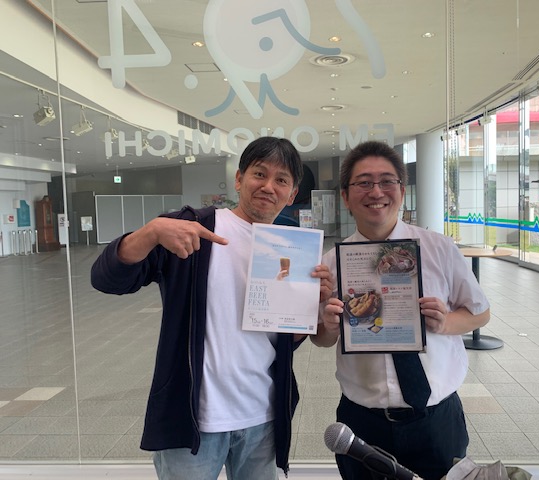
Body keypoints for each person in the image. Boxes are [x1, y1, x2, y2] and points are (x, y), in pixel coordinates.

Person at [91, 137, 333, 480]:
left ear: (292, 194)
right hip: (194, 421)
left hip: (262, 418)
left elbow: (282, 340)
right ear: (239, 179)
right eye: (259, 174)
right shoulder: (193, 230)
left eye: (281, 180)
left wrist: (309, 305)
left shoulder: (290, 248)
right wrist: (152, 231)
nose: (268, 186)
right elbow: (106, 278)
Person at [312, 140, 490, 480]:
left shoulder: (439, 248)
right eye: (364, 183)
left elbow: (480, 313)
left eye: (386, 181)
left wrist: (445, 322)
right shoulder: (331, 264)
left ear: (402, 191)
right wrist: (330, 326)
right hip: (362, 421)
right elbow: (321, 339)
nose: (376, 191)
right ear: (346, 197)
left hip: (436, 420)